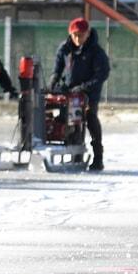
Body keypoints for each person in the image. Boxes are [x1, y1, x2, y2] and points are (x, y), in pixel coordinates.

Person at [49, 17, 111, 171]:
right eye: (75, 35)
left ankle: (98, 156)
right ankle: (74, 152)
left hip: (89, 95)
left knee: (89, 119)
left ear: (88, 33)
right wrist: (54, 83)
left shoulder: (96, 52)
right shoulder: (65, 49)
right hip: (69, 93)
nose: (78, 38)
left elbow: (102, 74)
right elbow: (57, 69)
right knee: (67, 120)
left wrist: (84, 88)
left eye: (81, 35)